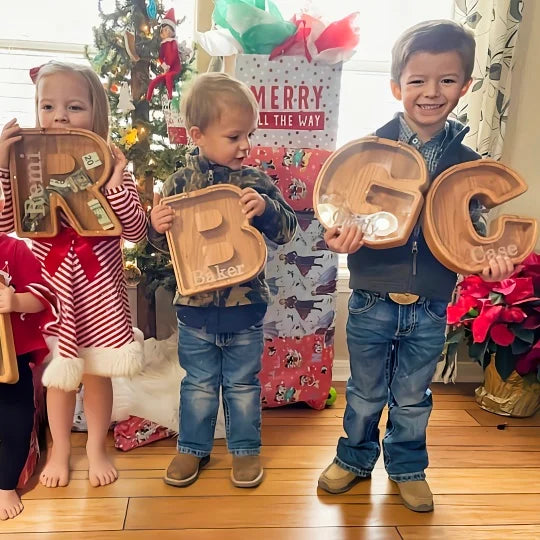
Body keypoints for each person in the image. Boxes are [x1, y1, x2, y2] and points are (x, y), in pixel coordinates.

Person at [317, 20, 515, 512]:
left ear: (466, 86)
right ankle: (354, 458)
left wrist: (486, 264)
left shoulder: (469, 165)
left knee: (412, 396)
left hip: (429, 304)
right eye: (417, 81)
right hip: (369, 298)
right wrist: (337, 235)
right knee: (363, 391)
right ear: (396, 86)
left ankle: (407, 468)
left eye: (447, 80)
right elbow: (339, 214)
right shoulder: (367, 153)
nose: (432, 92)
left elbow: (474, 231)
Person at [0, 61, 147, 488]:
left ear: (97, 115)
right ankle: (61, 450)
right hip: (53, 288)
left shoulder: (111, 163)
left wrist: (118, 184)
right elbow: (7, 222)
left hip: (99, 286)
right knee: (59, 378)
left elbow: (136, 229)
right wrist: (3, 168)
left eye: (74, 107)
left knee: (97, 374)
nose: (59, 116)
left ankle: (96, 445)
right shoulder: (28, 165)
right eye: (48, 106)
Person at [149, 72, 297, 488]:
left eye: (249, 134)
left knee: (242, 386)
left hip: (245, 309)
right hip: (194, 312)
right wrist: (154, 228)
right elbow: (169, 255)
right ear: (198, 135)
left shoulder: (256, 181)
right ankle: (192, 449)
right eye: (234, 136)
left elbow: (287, 231)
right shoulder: (177, 185)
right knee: (197, 384)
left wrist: (267, 208)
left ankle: (245, 451)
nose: (246, 145)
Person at [0, 181, 58, 520]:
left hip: (12, 359)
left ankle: (6, 485)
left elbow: (42, 297)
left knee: (16, 421)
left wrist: (14, 300)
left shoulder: (14, 250)